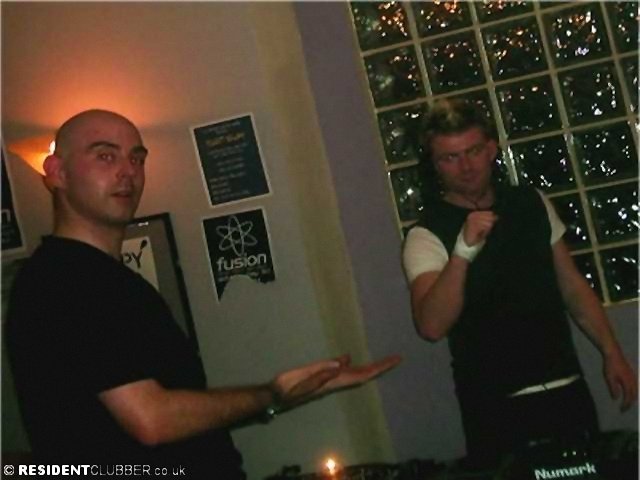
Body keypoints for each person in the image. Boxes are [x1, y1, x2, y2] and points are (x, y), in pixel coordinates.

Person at [6, 109, 401, 478]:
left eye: (137, 158)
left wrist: (286, 396)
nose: (128, 172)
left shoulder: (106, 279)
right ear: (56, 173)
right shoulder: (65, 280)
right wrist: (272, 394)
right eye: (106, 157)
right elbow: (152, 420)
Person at [402, 99, 637, 468]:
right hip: (494, 406)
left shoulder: (530, 203)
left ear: (491, 149)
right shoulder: (426, 234)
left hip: (566, 388)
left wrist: (612, 352)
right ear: (434, 165)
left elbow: (572, 287)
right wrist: (462, 252)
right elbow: (431, 326)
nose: (466, 167)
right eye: (450, 158)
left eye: (473, 151)